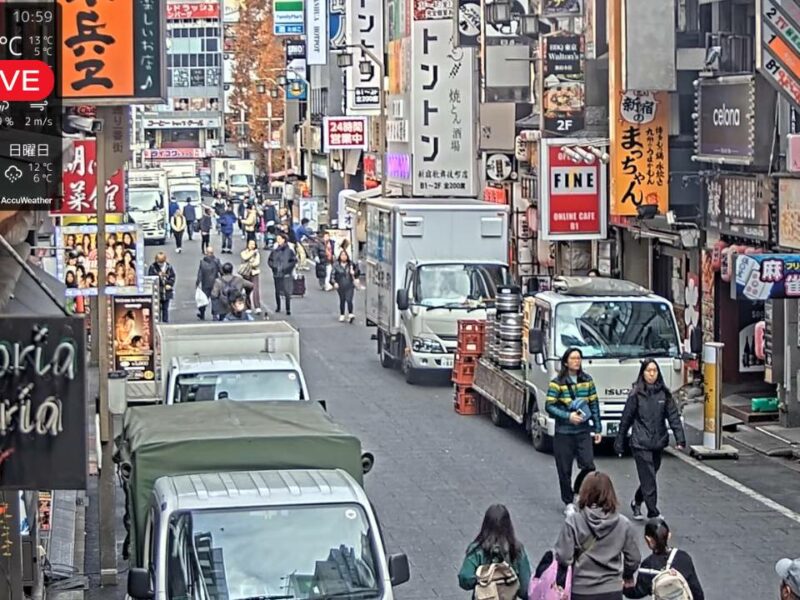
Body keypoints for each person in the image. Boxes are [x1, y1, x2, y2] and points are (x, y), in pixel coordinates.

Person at [614, 360, 686, 520]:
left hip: (658, 441)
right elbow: (626, 419)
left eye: (654, 371)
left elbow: (673, 416)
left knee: (650, 476)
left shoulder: (664, 394)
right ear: (643, 373)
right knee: (648, 478)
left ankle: (637, 501)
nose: (652, 374)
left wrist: (680, 438)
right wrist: (619, 442)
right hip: (640, 442)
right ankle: (653, 511)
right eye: (648, 371)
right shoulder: (636, 394)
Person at [554, 472, 640, 600]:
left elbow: (564, 556)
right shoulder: (623, 523)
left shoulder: (574, 521)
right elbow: (634, 558)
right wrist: (626, 575)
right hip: (612, 589)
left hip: (581, 589)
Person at [546, 347, 602, 514]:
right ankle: (568, 501)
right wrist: (567, 416)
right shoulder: (557, 383)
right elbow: (549, 406)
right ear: (565, 362)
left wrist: (597, 428)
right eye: (573, 358)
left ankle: (577, 491)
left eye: (579, 358)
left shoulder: (587, 380)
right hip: (564, 432)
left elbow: (594, 404)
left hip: (583, 431)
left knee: (589, 465)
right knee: (564, 469)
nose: (577, 361)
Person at [458, 504, 532, 600]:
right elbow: (525, 589)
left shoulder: (477, 550)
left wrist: (481, 580)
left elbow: (465, 578)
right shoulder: (517, 550)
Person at [624, 519, 704, 599]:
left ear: (648, 539)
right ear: (669, 535)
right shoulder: (684, 557)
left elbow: (637, 592)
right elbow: (697, 590)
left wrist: (626, 587)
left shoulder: (648, 566)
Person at [267, 232, 297, 315]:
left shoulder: (289, 251)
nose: (278, 241)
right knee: (277, 291)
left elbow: (293, 261)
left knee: (287, 291)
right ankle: (278, 306)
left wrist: (288, 268)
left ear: (284, 240)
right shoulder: (275, 251)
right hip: (276, 273)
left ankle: (288, 308)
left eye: (279, 239)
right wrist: (273, 267)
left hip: (286, 274)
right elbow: (270, 260)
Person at [331, 250, 360, 323]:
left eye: (345, 255)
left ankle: (350, 313)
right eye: (342, 255)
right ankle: (342, 314)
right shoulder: (336, 265)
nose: (344, 257)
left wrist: (354, 272)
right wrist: (334, 282)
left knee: (349, 299)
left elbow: (357, 272)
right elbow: (332, 275)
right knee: (342, 300)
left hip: (349, 285)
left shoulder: (351, 264)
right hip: (340, 285)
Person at [148, 252, 176, 323]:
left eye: (162, 262)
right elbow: (151, 278)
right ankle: (157, 322)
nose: (161, 264)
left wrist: (170, 284)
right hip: (157, 291)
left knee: (165, 308)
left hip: (167, 291)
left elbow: (172, 276)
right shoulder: (153, 267)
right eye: (159, 262)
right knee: (157, 308)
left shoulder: (169, 267)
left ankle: (165, 322)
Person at [196, 246, 222, 320]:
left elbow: (200, 273)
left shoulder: (202, 262)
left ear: (206, 253)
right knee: (215, 299)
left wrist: (198, 283)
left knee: (203, 299)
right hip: (215, 283)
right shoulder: (217, 261)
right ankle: (214, 315)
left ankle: (202, 313)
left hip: (205, 283)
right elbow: (221, 270)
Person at [240, 239, 262, 313]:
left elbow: (257, 263)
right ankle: (248, 307)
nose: (252, 245)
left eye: (253, 244)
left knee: (256, 290)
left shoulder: (257, 254)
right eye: (250, 244)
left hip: (254, 273)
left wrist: (249, 263)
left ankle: (257, 306)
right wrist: (252, 254)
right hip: (246, 273)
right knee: (247, 291)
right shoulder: (243, 252)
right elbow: (245, 258)